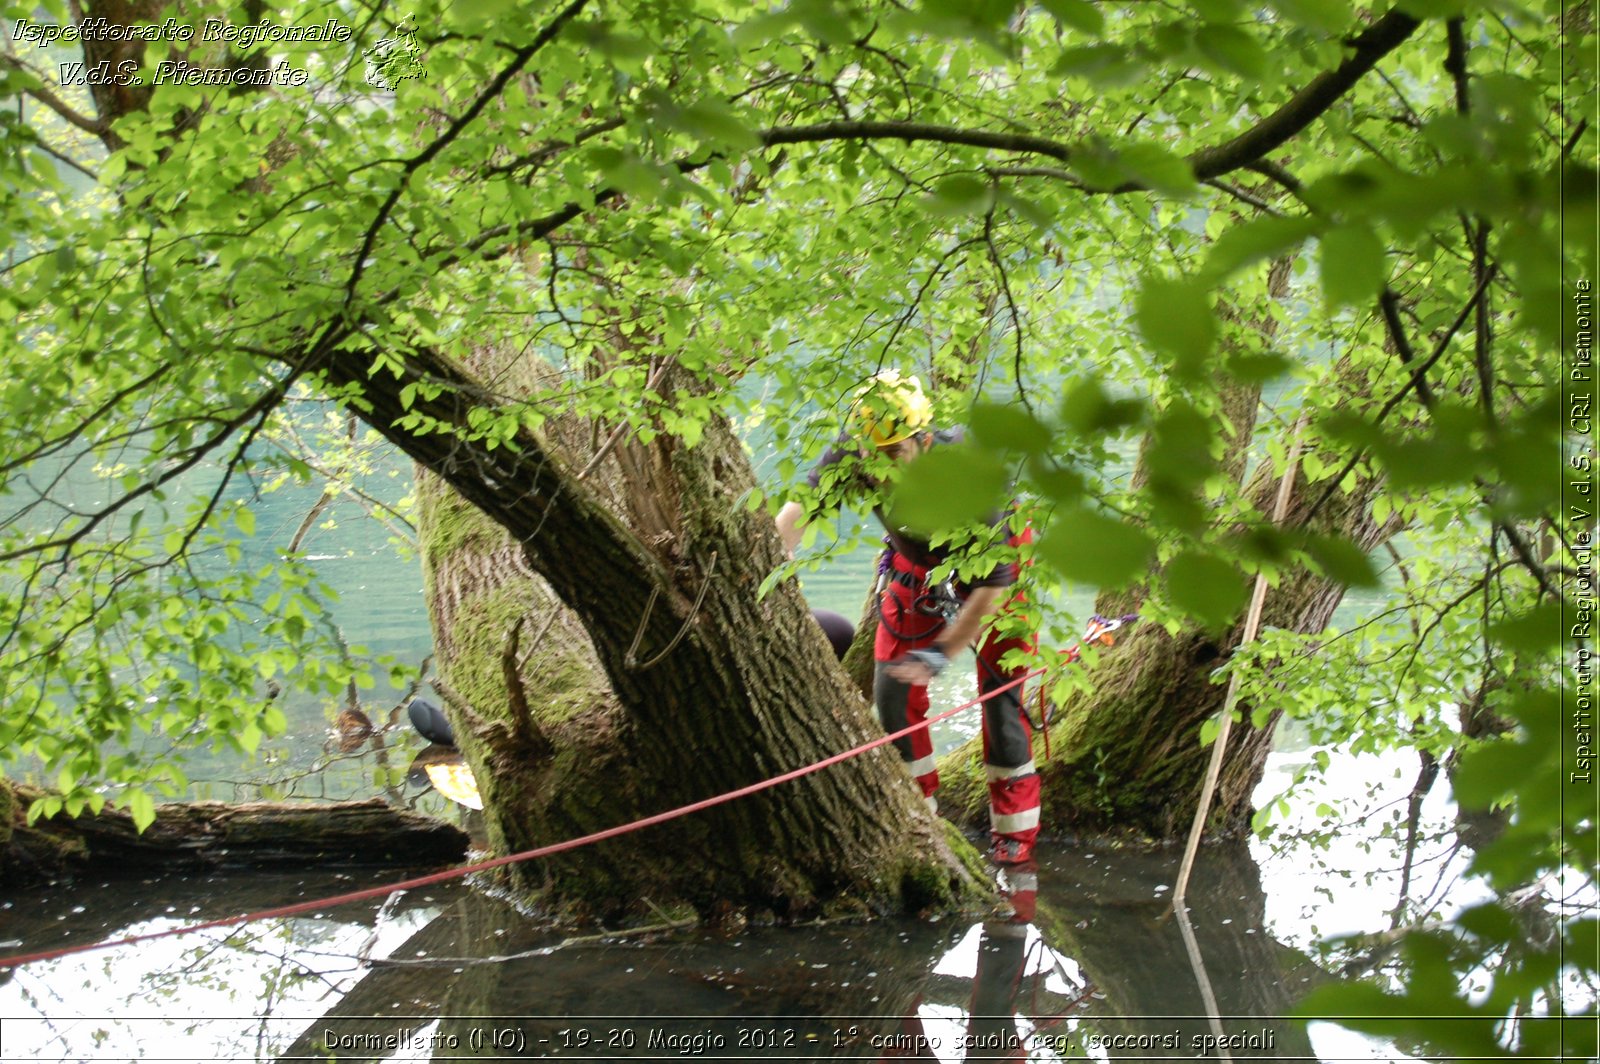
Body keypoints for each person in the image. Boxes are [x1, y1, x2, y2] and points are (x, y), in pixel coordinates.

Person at [775, 371, 1040, 865]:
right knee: (892, 694)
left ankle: (1014, 846)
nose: (880, 472)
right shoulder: (857, 450)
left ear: (922, 441)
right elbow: (796, 514)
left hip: (997, 572)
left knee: (1002, 703)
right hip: (917, 566)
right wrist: (768, 567)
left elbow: (994, 587)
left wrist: (943, 652)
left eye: (893, 455)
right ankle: (920, 821)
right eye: (871, 459)